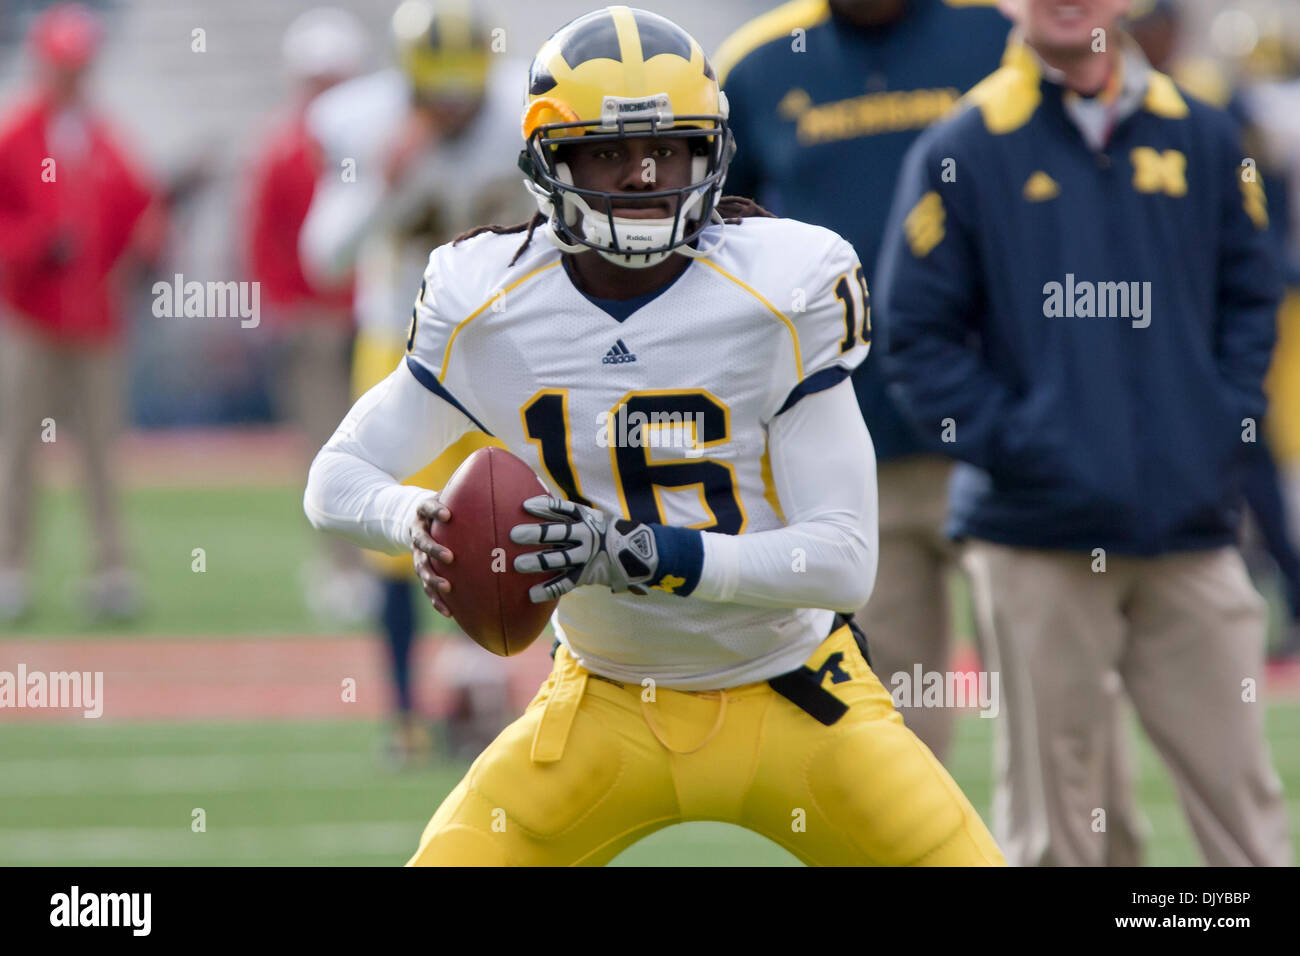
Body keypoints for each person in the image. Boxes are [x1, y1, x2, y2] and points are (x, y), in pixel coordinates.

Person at [305, 5, 1004, 866]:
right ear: (548, 162)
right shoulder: (484, 296)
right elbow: (335, 478)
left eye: (666, 150)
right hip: (603, 701)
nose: (641, 177)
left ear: (708, 153)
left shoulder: (783, 285)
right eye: (607, 152)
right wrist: (425, 520)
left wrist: (638, 551)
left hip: (796, 693)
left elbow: (843, 559)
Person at [876, 0, 1292, 865]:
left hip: (1192, 532)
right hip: (1036, 539)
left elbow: (1252, 294)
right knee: (1058, 829)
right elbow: (913, 333)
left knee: (1244, 815)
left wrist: (1218, 423)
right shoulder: (962, 145)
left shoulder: (1205, 135)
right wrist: (1022, 445)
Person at [715, 0, 1010, 766]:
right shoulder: (755, 65)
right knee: (892, 730)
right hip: (849, 453)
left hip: (1003, 440)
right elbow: (713, 247)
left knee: (1056, 708)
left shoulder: (998, 36)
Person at [299, 0, 530, 765]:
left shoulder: (522, 115)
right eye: (440, 90)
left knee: (523, 516)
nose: (454, 106)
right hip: (400, 347)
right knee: (393, 540)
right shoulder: (364, 126)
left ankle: (509, 699)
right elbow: (322, 257)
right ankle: (402, 714)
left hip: (502, 346)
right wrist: (379, 187)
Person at [0, 2, 161, 623]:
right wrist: (38, 247)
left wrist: (145, 244)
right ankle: (12, 567)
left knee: (99, 450)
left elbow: (139, 208)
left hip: (95, 322)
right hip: (30, 318)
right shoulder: (17, 136)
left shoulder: (102, 137)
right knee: (18, 447)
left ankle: (111, 567)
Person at [244, 6, 372, 625]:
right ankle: (338, 567)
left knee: (385, 442)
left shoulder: (374, 140)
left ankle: (383, 564)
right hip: (315, 320)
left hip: (375, 316)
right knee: (326, 445)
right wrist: (282, 310)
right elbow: (265, 238)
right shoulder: (282, 150)